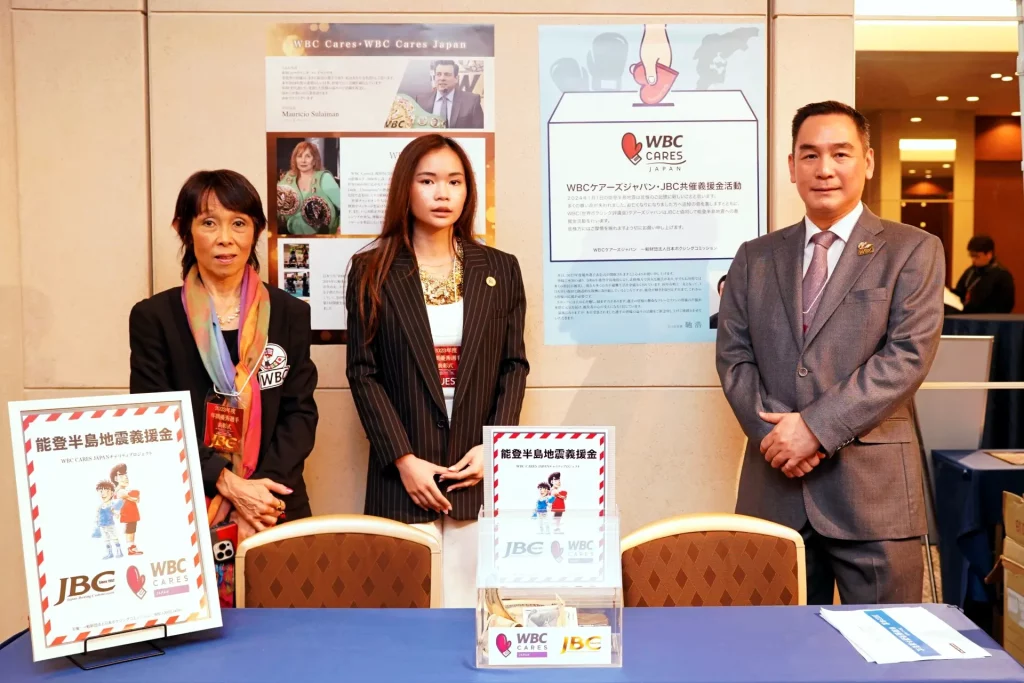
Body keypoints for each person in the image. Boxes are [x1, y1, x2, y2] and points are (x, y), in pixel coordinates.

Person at [716, 101, 944, 605]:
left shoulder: (913, 249)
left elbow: (906, 357)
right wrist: (776, 438)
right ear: (792, 166)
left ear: (867, 160)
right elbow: (734, 357)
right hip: (774, 491)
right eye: (810, 154)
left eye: (840, 153)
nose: (824, 169)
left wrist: (814, 429)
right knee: (777, 657)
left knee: (889, 654)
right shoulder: (755, 257)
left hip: (874, 498)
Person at [346, 134, 528, 608]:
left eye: (454, 181)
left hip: (476, 468)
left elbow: (514, 365)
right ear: (406, 189)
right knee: (404, 611)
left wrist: (495, 447)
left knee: (474, 610)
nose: (442, 193)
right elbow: (363, 373)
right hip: (402, 475)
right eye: (427, 181)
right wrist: (403, 460)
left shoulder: (500, 268)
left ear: (469, 190)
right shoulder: (371, 270)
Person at [130, 170, 319, 549]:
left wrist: (256, 499)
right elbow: (157, 420)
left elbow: (300, 415)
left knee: (281, 607)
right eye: (209, 223)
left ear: (257, 231)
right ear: (184, 229)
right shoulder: (155, 318)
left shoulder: (289, 313)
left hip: (273, 503)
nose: (225, 239)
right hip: (188, 503)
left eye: (238, 223)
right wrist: (230, 486)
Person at [276, 141, 341, 235]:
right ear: (295, 159)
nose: (303, 160)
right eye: (299, 156)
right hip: (292, 238)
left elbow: (344, 207)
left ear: (314, 160)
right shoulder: (288, 178)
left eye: (308, 156)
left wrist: (341, 227)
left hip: (323, 237)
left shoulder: (324, 178)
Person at [953, 235, 1015, 313]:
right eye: (971, 256)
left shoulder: (1003, 276)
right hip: (965, 317)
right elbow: (959, 293)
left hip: (989, 321)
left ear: (989, 255)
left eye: (976, 256)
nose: (973, 260)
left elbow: (1005, 306)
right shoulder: (970, 271)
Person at [414, 61, 484, 130]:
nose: (442, 78)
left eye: (447, 74)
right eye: (438, 74)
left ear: (456, 78)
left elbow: (481, 134)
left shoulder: (472, 101)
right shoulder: (421, 100)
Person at [110, 463, 142, 555]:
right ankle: (130, 548)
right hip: (127, 515)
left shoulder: (122, 491)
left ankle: (132, 547)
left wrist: (133, 496)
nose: (126, 477)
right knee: (130, 531)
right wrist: (132, 496)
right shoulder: (120, 491)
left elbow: (136, 498)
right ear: (116, 478)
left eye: (125, 474)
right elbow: (135, 495)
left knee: (132, 530)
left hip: (131, 514)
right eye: (121, 475)